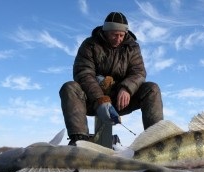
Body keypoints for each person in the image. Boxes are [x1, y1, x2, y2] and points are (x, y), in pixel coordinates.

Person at [59, 12, 164, 145]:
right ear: (105, 31)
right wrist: (100, 99)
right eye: (114, 34)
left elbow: (138, 72)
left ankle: (157, 143)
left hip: (120, 100)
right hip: (93, 100)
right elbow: (83, 73)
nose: (118, 38)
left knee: (151, 89)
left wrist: (126, 88)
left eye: (121, 35)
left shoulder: (132, 47)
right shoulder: (90, 45)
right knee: (69, 87)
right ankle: (79, 141)